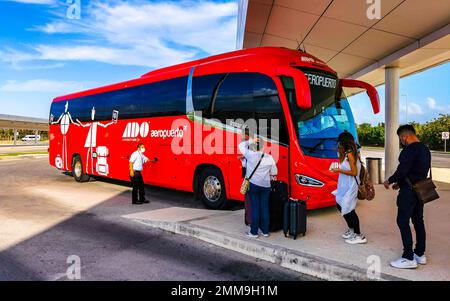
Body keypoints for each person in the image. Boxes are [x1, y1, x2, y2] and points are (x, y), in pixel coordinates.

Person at [384, 124, 431, 269]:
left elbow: (402, 170)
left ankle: (408, 257)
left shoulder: (409, 149)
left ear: (404, 136)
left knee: (402, 221)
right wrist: (401, 183)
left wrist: (390, 180)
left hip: (409, 193)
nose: (401, 141)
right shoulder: (425, 148)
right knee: (418, 221)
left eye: (400, 138)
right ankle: (420, 254)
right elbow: (417, 171)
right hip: (421, 189)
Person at [331, 131, 367, 244]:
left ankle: (359, 235)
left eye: (340, 142)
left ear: (344, 142)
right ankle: (351, 229)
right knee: (340, 204)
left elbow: (354, 172)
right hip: (344, 184)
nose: (338, 144)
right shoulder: (346, 153)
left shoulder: (351, 154)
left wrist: (339, 170)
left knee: (349, 210)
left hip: (351, 185)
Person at [239, 135, 277, 238]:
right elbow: (274, 172)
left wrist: (252, 140)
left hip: (254, 185)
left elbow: (241, 145)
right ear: (262, 147)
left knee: (255, 207)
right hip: (266, 186)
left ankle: (254, 232)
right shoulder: (270, 158)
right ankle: (265, 231)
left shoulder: (250, 155)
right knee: (264, 207)